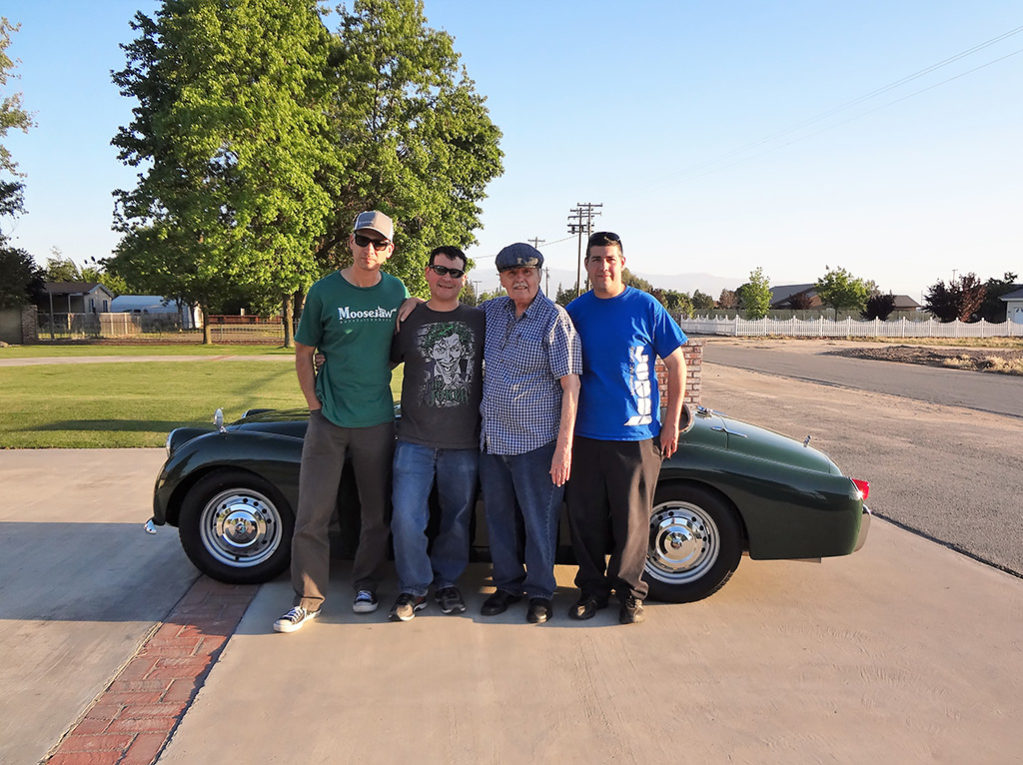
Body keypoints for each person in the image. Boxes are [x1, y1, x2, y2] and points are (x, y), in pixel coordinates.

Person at [274, 210, 408, 633]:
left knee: (375, 513)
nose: (369, 249)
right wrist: (314, 404)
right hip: (328, 421)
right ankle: (308, 598)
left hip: (377, 420)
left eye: (378, 243)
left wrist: (416, 303)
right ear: (350, 242)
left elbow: (398, 344)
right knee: (313, 514)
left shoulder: (396, 290)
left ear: (389, 250)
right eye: (362, 240)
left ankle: (365, 585)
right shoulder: (323, 291)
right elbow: (303, 352)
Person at [565, 231, 687, 625]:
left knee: (632, 523)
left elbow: (676, 364)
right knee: (585, 520)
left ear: (622, 262)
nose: (604, 266)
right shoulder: (575, 311)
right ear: (587, 265)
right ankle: (591, 590)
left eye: (610, 258)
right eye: (596, 259)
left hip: (637, 436)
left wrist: (670, 422)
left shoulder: (646, 307)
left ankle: (630, 594)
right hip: (585, 435)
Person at [478, 242, 581, 624]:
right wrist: (412, 302)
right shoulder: (491, 312)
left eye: (527, 273)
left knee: (540, 522)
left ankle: (541, 592)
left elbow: (571, 386)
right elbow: (449, 310)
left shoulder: (555, 319)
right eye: (511, 274)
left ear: (539, 275)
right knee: (499, 520)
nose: (520, 279)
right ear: (502, 278)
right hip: (493, 441)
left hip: (537, 443)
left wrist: (563, 449)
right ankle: (506, 585)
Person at [388, 246, 484, 621]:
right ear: (428, 273)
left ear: (464, 279)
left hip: (463, 442)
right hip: (414, 440)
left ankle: (447, 583)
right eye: (441, 270)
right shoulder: (407, 318)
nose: (448, 278)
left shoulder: (479, 319)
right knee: (406, 517)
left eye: (456, 273)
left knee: (456, 520)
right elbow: (378, 359)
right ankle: (413, 588)